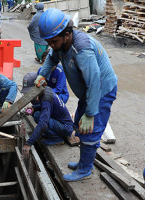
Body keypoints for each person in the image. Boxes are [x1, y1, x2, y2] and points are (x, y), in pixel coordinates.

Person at [36, 8, 118, 182]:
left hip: (101, 91)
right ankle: (83, 162)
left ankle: (85, 170)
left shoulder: (81, 50)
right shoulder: (60, 43)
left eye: (53, 41)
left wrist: (90, 114)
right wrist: (43, 74)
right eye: (48, 42)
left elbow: (95, 83)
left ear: (67, 34)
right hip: (87, 92)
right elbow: (51, 58)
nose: (51, 45)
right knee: (80, 126)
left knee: (90, 129)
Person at [21, 72, 73, 158]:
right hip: (60, 122)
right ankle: (53, 134)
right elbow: (46, 106)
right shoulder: (46, 90)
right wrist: (34, 107)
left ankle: (57, 138)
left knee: (39, 118)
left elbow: (43, 124)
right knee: (37, 113)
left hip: (66, 127)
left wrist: (28, 143)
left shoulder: (46, 98)